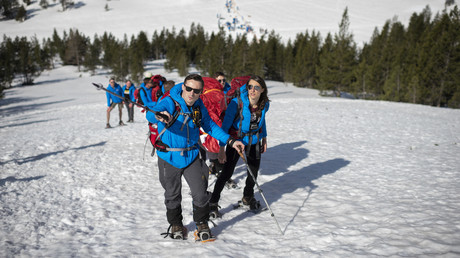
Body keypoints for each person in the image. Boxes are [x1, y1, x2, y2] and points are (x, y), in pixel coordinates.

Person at [151, 74, 245, 241]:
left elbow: (210, 126)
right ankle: (176, 224)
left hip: (192, 155)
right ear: (183, 87)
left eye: (196, 91)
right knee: (172, 194)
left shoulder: (199, 106)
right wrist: (159, 115)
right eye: (188, 89)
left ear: (201, 92)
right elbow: (153, 114)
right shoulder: (170, 101)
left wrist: (231, 141)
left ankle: (201, 222)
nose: (191, 93)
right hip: (169, 156)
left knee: (200, 192)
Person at [210, 75, 270, 217]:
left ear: (262, 90)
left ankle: (247, 197)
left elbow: (263, 121)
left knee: (253, 173)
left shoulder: (264, 104)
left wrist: (264, 138)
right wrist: (221, 148)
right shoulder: (237, 103)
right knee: (226, 173)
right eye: (250, 87)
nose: (252, 90)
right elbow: (225, 126)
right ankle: (212, 203)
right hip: (237, 142)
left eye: (256, 87)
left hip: (254, 141)